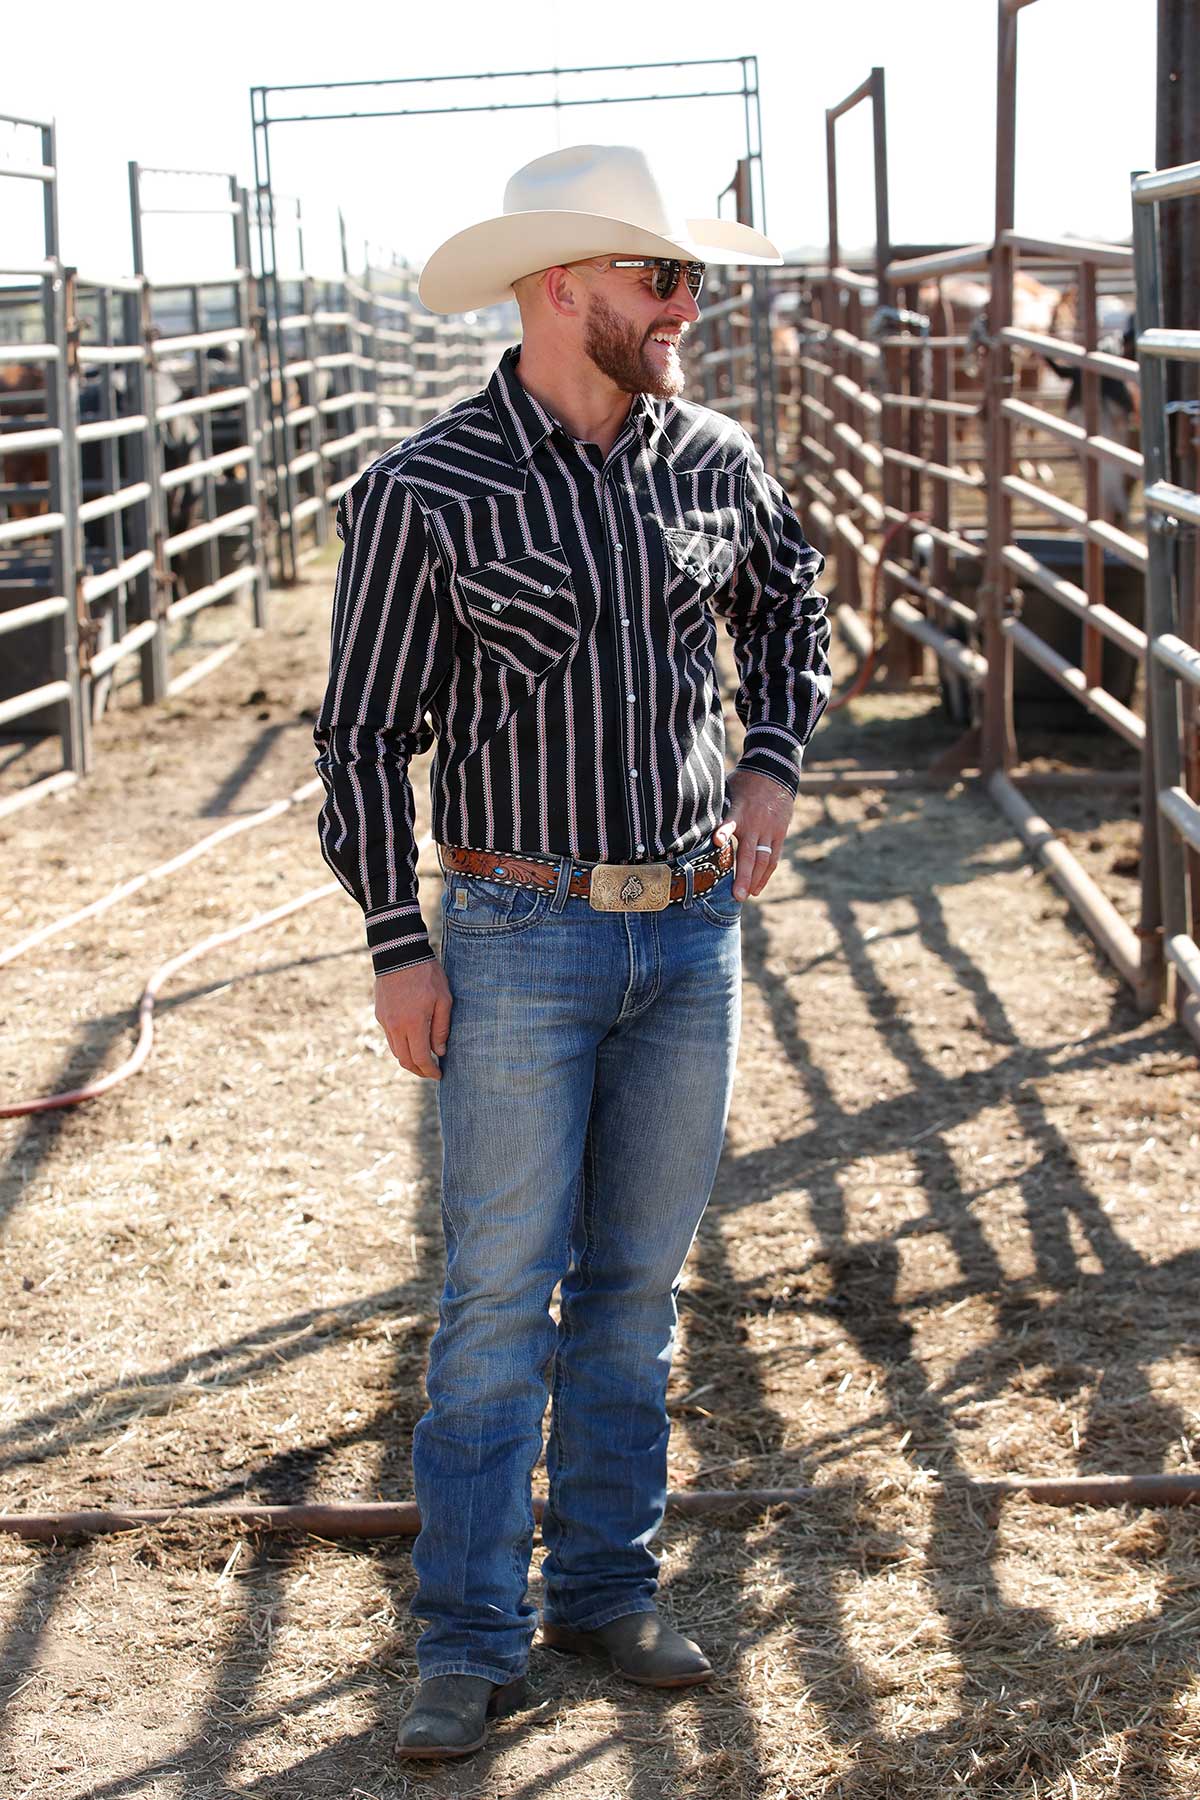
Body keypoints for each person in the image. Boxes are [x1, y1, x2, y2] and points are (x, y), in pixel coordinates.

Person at [312, 142, 831, 1761]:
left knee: (636, 1293)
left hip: (688, 934)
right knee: (494, 1299)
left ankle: (607, 1587)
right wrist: (402, 941)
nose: (688, 306)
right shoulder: (427, 490)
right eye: (662, 277)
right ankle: (468, 1637)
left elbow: (794, 603)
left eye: (690, 279)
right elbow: (354, 739)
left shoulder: (714, 460)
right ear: (564, 288)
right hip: (518, 928)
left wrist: (772, 760)